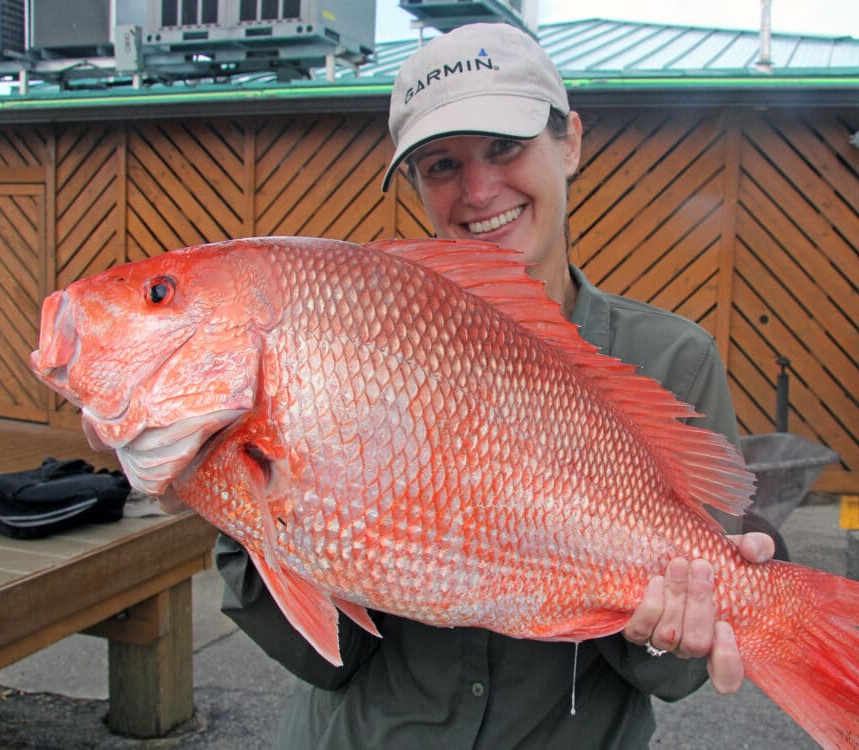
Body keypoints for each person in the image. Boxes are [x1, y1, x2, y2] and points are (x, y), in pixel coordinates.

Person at [214, 22, 776, 749]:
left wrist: (676, 621)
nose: (478, 191)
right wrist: (232, 499)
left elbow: (672, 679)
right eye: (441, 165)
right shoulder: (351, 349)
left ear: (569, 141)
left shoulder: (672, 359)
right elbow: (326, 660)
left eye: (506, 149)